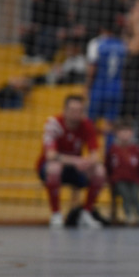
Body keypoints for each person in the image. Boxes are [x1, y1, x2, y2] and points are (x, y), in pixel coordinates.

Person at [37, 94, 106, 228]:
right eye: (72, 110)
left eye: (79, 110)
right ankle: (56, 214)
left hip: (75, 170)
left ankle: (86, 213)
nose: (76, 114)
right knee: (54, 167)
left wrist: (87, 162)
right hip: (48, 169)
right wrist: (76, 161)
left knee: (100, 171)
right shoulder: (54, 123)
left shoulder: (87, 124)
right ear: (65, 110)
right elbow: (51, 155)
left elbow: (95, 155)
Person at [105, 119, 139, 225]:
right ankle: (128, 214)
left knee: (135, 195)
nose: (124, 134)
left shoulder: (136, 149)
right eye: (122, 131)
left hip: (134, 180)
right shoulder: (113, 149)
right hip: (118, 180)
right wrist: (109, 179)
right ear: (117, 133)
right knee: (126, 195)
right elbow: (107, 165)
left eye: (127, 131)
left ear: (132, 133)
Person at [85, 21, 128, 129]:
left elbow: (92, 68)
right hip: (116, 89)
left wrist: (87, 87)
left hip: (99, 88)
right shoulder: (122, 45)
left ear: (102, 29)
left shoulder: (96, 43)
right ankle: (109, 140)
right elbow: (123, 70)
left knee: (91, 122)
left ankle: (92, 140)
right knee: (111, 124)